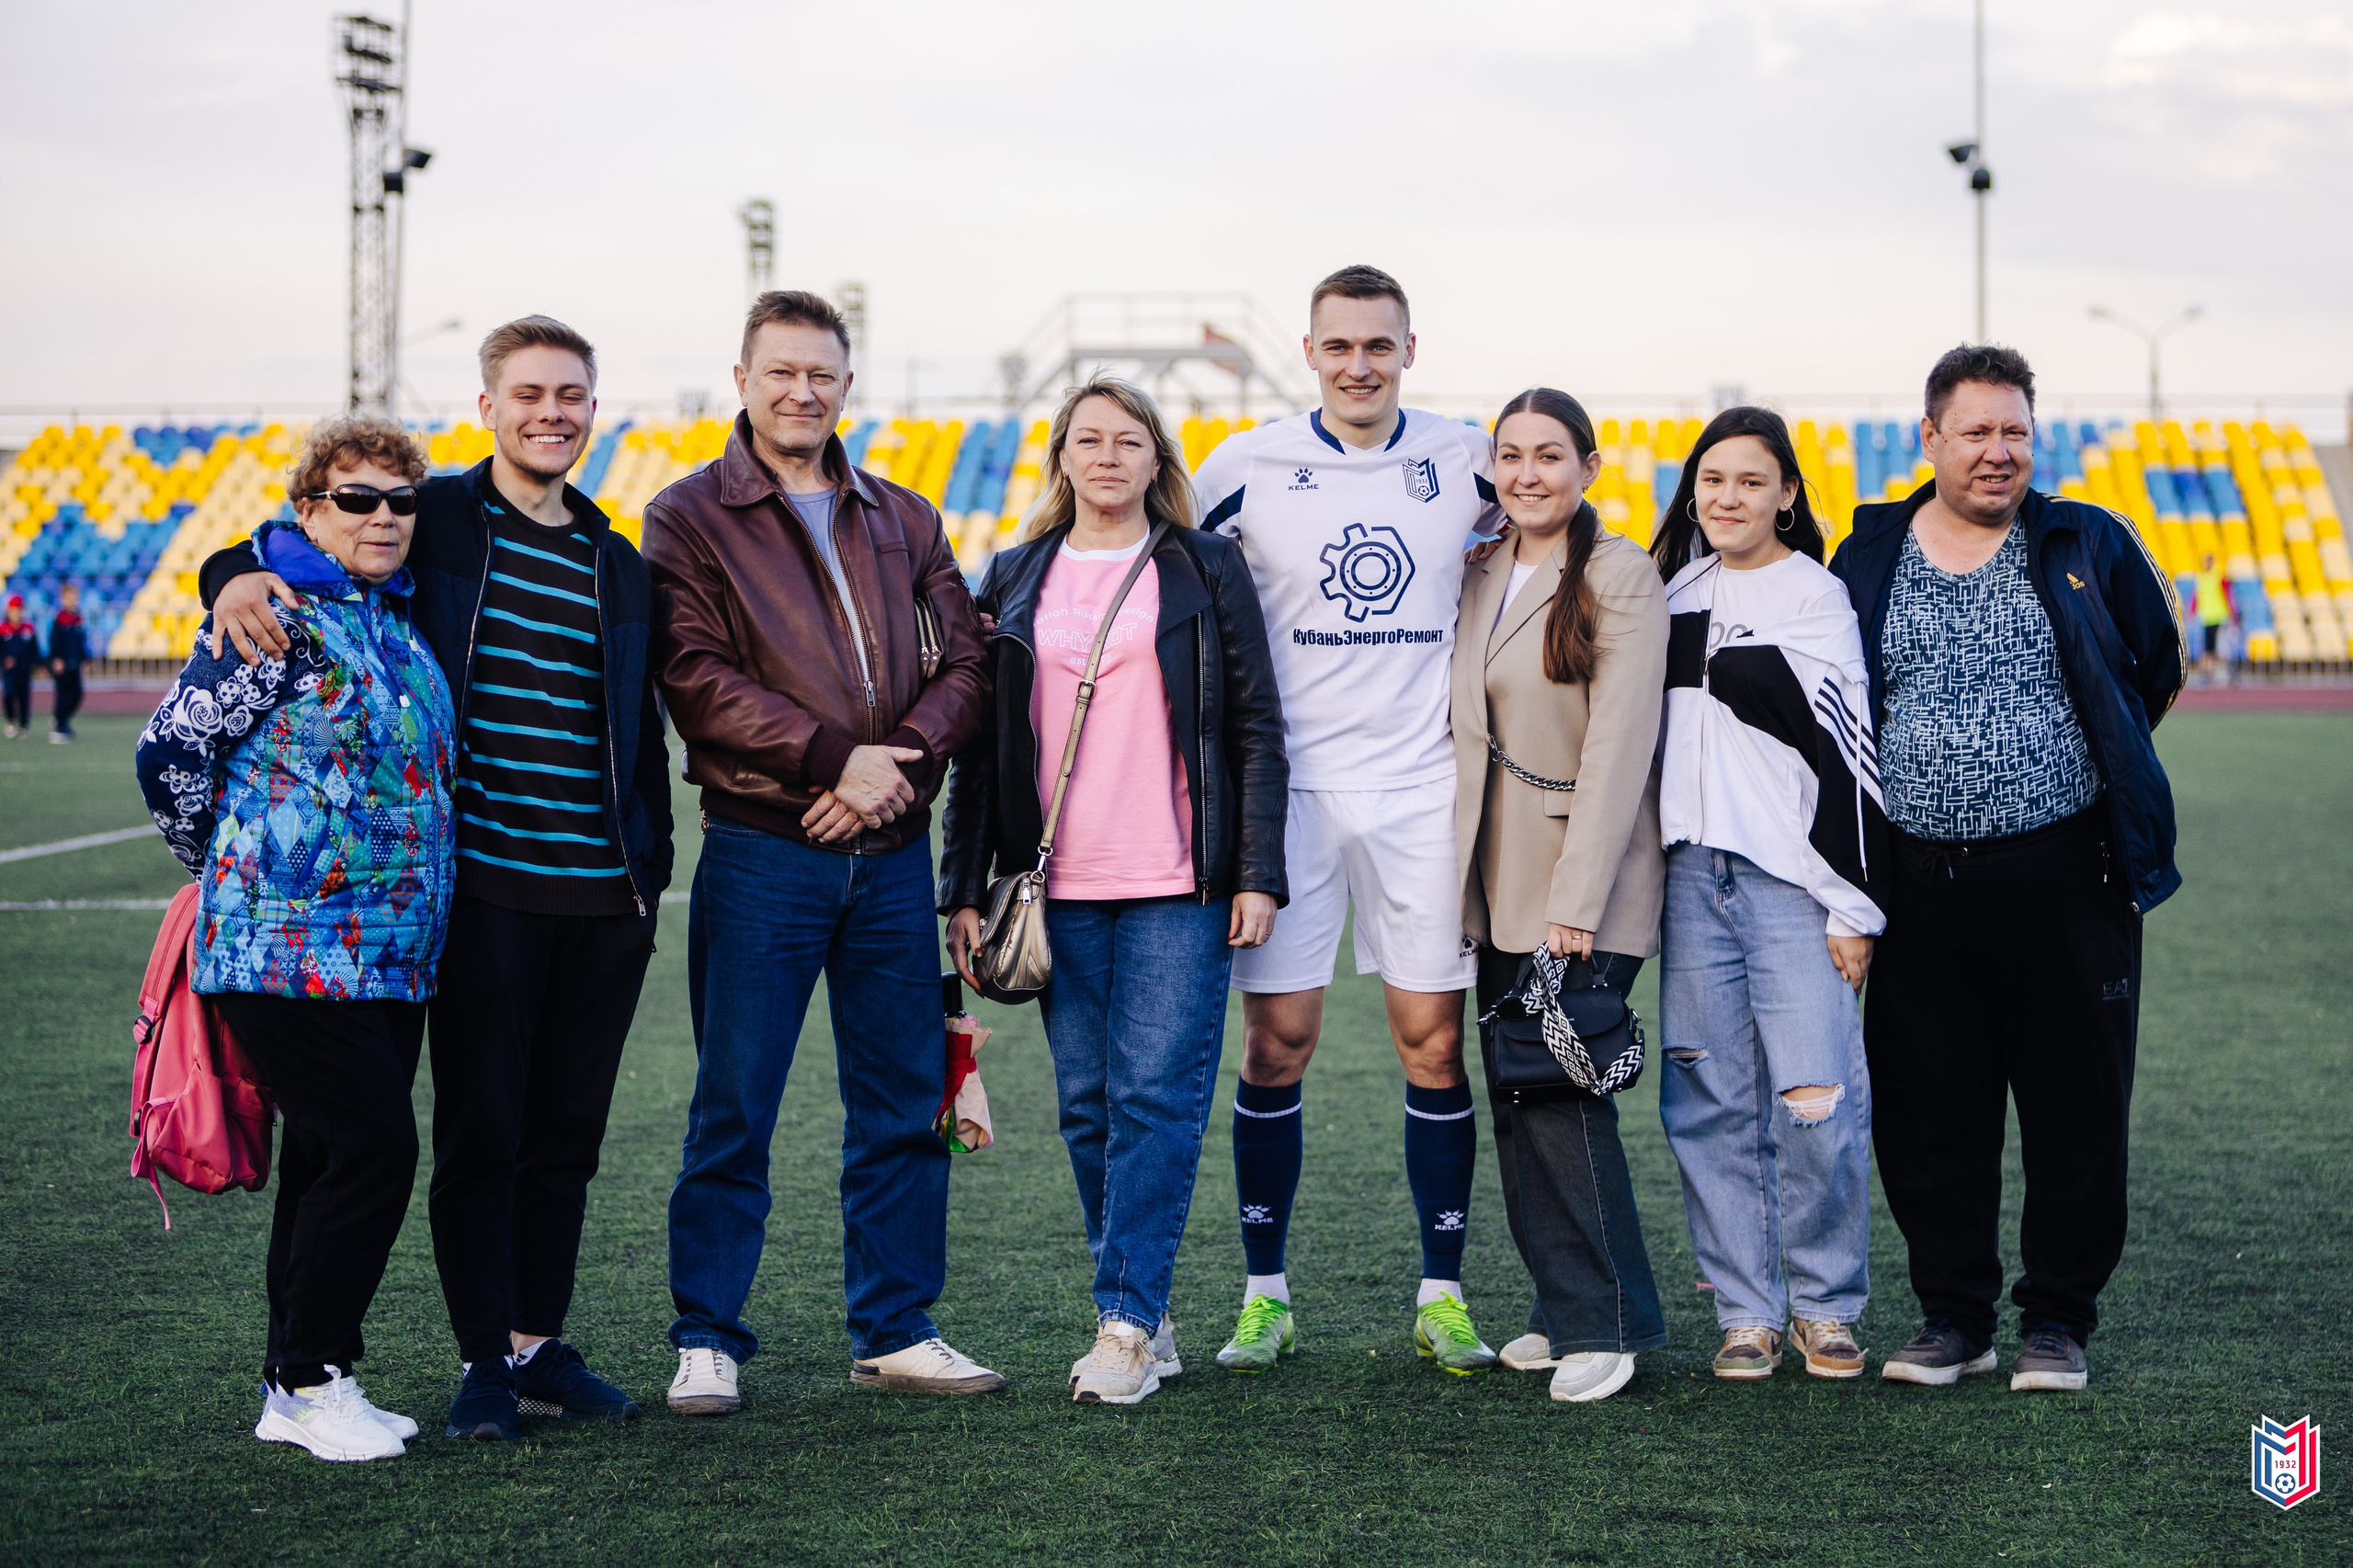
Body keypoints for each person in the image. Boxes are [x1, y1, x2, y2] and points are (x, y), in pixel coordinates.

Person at [198, 317, 675, 1442]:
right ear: (488, 407)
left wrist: (647, 863)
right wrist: (231, 572)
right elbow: (290, 537)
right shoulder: (437, 517)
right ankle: (480, 1362)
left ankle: (533, 1338)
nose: (550, 411)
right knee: (479, 1135)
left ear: (593, 410)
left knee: (567, 1139)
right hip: (483, 900)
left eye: (571, 394)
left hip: (604, 899)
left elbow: (635, 725)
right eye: (528, 392)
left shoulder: (616, 558)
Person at [647, 290, 993, 1414]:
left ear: (848, 387)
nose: (803, 391)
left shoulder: (905, 514)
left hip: (889, 857)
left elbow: (969, 669)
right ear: (742, 379)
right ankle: (706, 1334)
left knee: (900, 1101)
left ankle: (894, 1326)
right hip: (762, 851)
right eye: (781, 371)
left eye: (823, 374)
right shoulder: (688, 515)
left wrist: (887, 769)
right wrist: (834, 759)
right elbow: (693, 676)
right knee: (733, 1102)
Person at [1830, 345, 2185, 1392]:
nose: (1998, 452)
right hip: (1916, 884)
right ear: (1928, 436)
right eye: (1976, 431)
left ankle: (2058, 1319)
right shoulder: (1870, 551)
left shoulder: (2085, 539)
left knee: (2075, 1101)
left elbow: (2148, 672)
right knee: (1929, 1105)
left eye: (2015, 431)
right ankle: (1952, 1316)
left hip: (2067, 876)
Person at [938, 376, 1288, 1404]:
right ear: (1059, 457)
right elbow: (979, 749)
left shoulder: (1204, 566)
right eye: (1087, 440)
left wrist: (1256, 872)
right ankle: (1147, 1305)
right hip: (1056, 886)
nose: (1106, 457)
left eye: (1126, 441)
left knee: (1154, 1098)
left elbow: (1256, 727)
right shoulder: (1014, 571)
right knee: (1087, 1106)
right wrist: (962, 884)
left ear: (1154, 459)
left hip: (1180, 880)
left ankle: (1127, 1321)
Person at [1189, 265, 1508, 1375]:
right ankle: (1263, 1294)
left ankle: (1443, 1294)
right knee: (1276, 1045)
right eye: (1338, 347)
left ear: (1409, 350)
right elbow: (1166, 573)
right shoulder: (1243, 466)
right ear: (1311, 352)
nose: (1359, 365)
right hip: (1293, 794)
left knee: (1431, 1041)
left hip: (1427, 789)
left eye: (1379, 345)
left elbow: (1552, 544)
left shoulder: (1469, 458)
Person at [135, 416, 456, 1464]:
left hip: (391, 949)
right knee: (374, 1148)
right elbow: (171, 748)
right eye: (355, 498)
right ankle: (316, 1375)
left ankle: (295, 1380)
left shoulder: (394, 624)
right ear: (308, 510)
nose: (383, 517)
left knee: (327, 1157)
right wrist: (231, 868)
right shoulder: (277, 614)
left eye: (400, 500)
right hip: (283, 944)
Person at [1651, 406, 1887, 1382]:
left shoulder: (1814, 595)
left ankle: (1825, 1305)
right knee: (1707, 1099)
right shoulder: (1671, 593)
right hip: (1687, 878)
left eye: (1751, 481)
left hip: (1793, 885)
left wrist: (1852, 904)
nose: (1728, 497)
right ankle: (1746, 1309)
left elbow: (1848, 752)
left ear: (1787, 492)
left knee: (1815, 1100)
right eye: (1712, 480)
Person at [1452, 389, 1668, 1403]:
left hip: (1578, 881)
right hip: (1497, 875)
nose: (1527, 473)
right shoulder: (1485, 567)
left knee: (1564, 1093)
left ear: (1587, 464)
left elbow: (1621, 743)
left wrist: (1575, 899)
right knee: (1518, 1092)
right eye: (1510, 456)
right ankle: (1560, 1301)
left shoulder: (1619, 572)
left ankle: (1606, 1325)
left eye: (1548, 455)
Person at [46, 582, 87, 742]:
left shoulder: (77, 618)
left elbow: (80, 642)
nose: (73, 600)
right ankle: (60, 726)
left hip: (74, 665)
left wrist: (85, 658)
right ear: (63, 599)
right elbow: (54, 642)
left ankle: (62, 719)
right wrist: (55, 659)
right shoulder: (60, 620)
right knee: (63, 696)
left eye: (75, 597)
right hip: (62, 666)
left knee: (77, 695)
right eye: (69, 597)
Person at [0, 595, 34, 739]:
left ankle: (24, 724)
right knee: (9, 694)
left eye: (19, 610)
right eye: (14, 610)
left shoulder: (28, 629)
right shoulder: (3, 629)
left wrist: (39, 664)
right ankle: (11, 720)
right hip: (9, 671)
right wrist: (4, 660)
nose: (16, 613)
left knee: (24, 697)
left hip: (24, 669)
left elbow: (34, 649)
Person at [2192, 553, 2227, 675]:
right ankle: (2208, 671)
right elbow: (2196, 595)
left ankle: (2217, 670)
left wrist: (2232, 612)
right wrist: (2193, 610)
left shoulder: (2218, 576)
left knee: (2217, 646)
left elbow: (2227, 595)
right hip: (2206, 616)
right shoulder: (2200, 577)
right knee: (2207, 645)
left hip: (2218, 615)